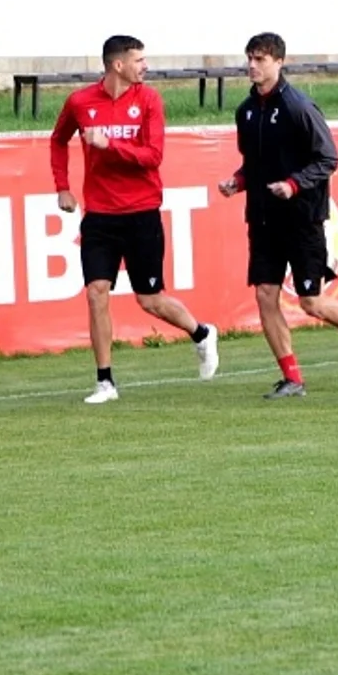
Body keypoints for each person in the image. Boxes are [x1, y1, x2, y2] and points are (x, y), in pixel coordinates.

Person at [51, 34, 218, 404]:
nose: (145, 66)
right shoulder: (80, 102)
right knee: (97, 293)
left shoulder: (149, 101)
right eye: (139, 60)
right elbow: (58, 139)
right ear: (118, 65)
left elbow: (153, 156)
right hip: (99, 216)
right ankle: (105, 382)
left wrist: (110, 145)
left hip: (142, 212)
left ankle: (202, 334)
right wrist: (62, 186)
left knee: (151, 300)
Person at [218, 32, 338, 400]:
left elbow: (328, 159)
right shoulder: (245, 111)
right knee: (264, 294)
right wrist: (237, 182)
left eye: (261, 59)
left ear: (279, 62)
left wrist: (293, 184)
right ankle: (293, 378)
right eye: (250, 59)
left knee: (311, 303)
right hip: (261, 219)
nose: (253, 66)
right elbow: (253, 165)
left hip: (302, 220)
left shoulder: (298, 107)